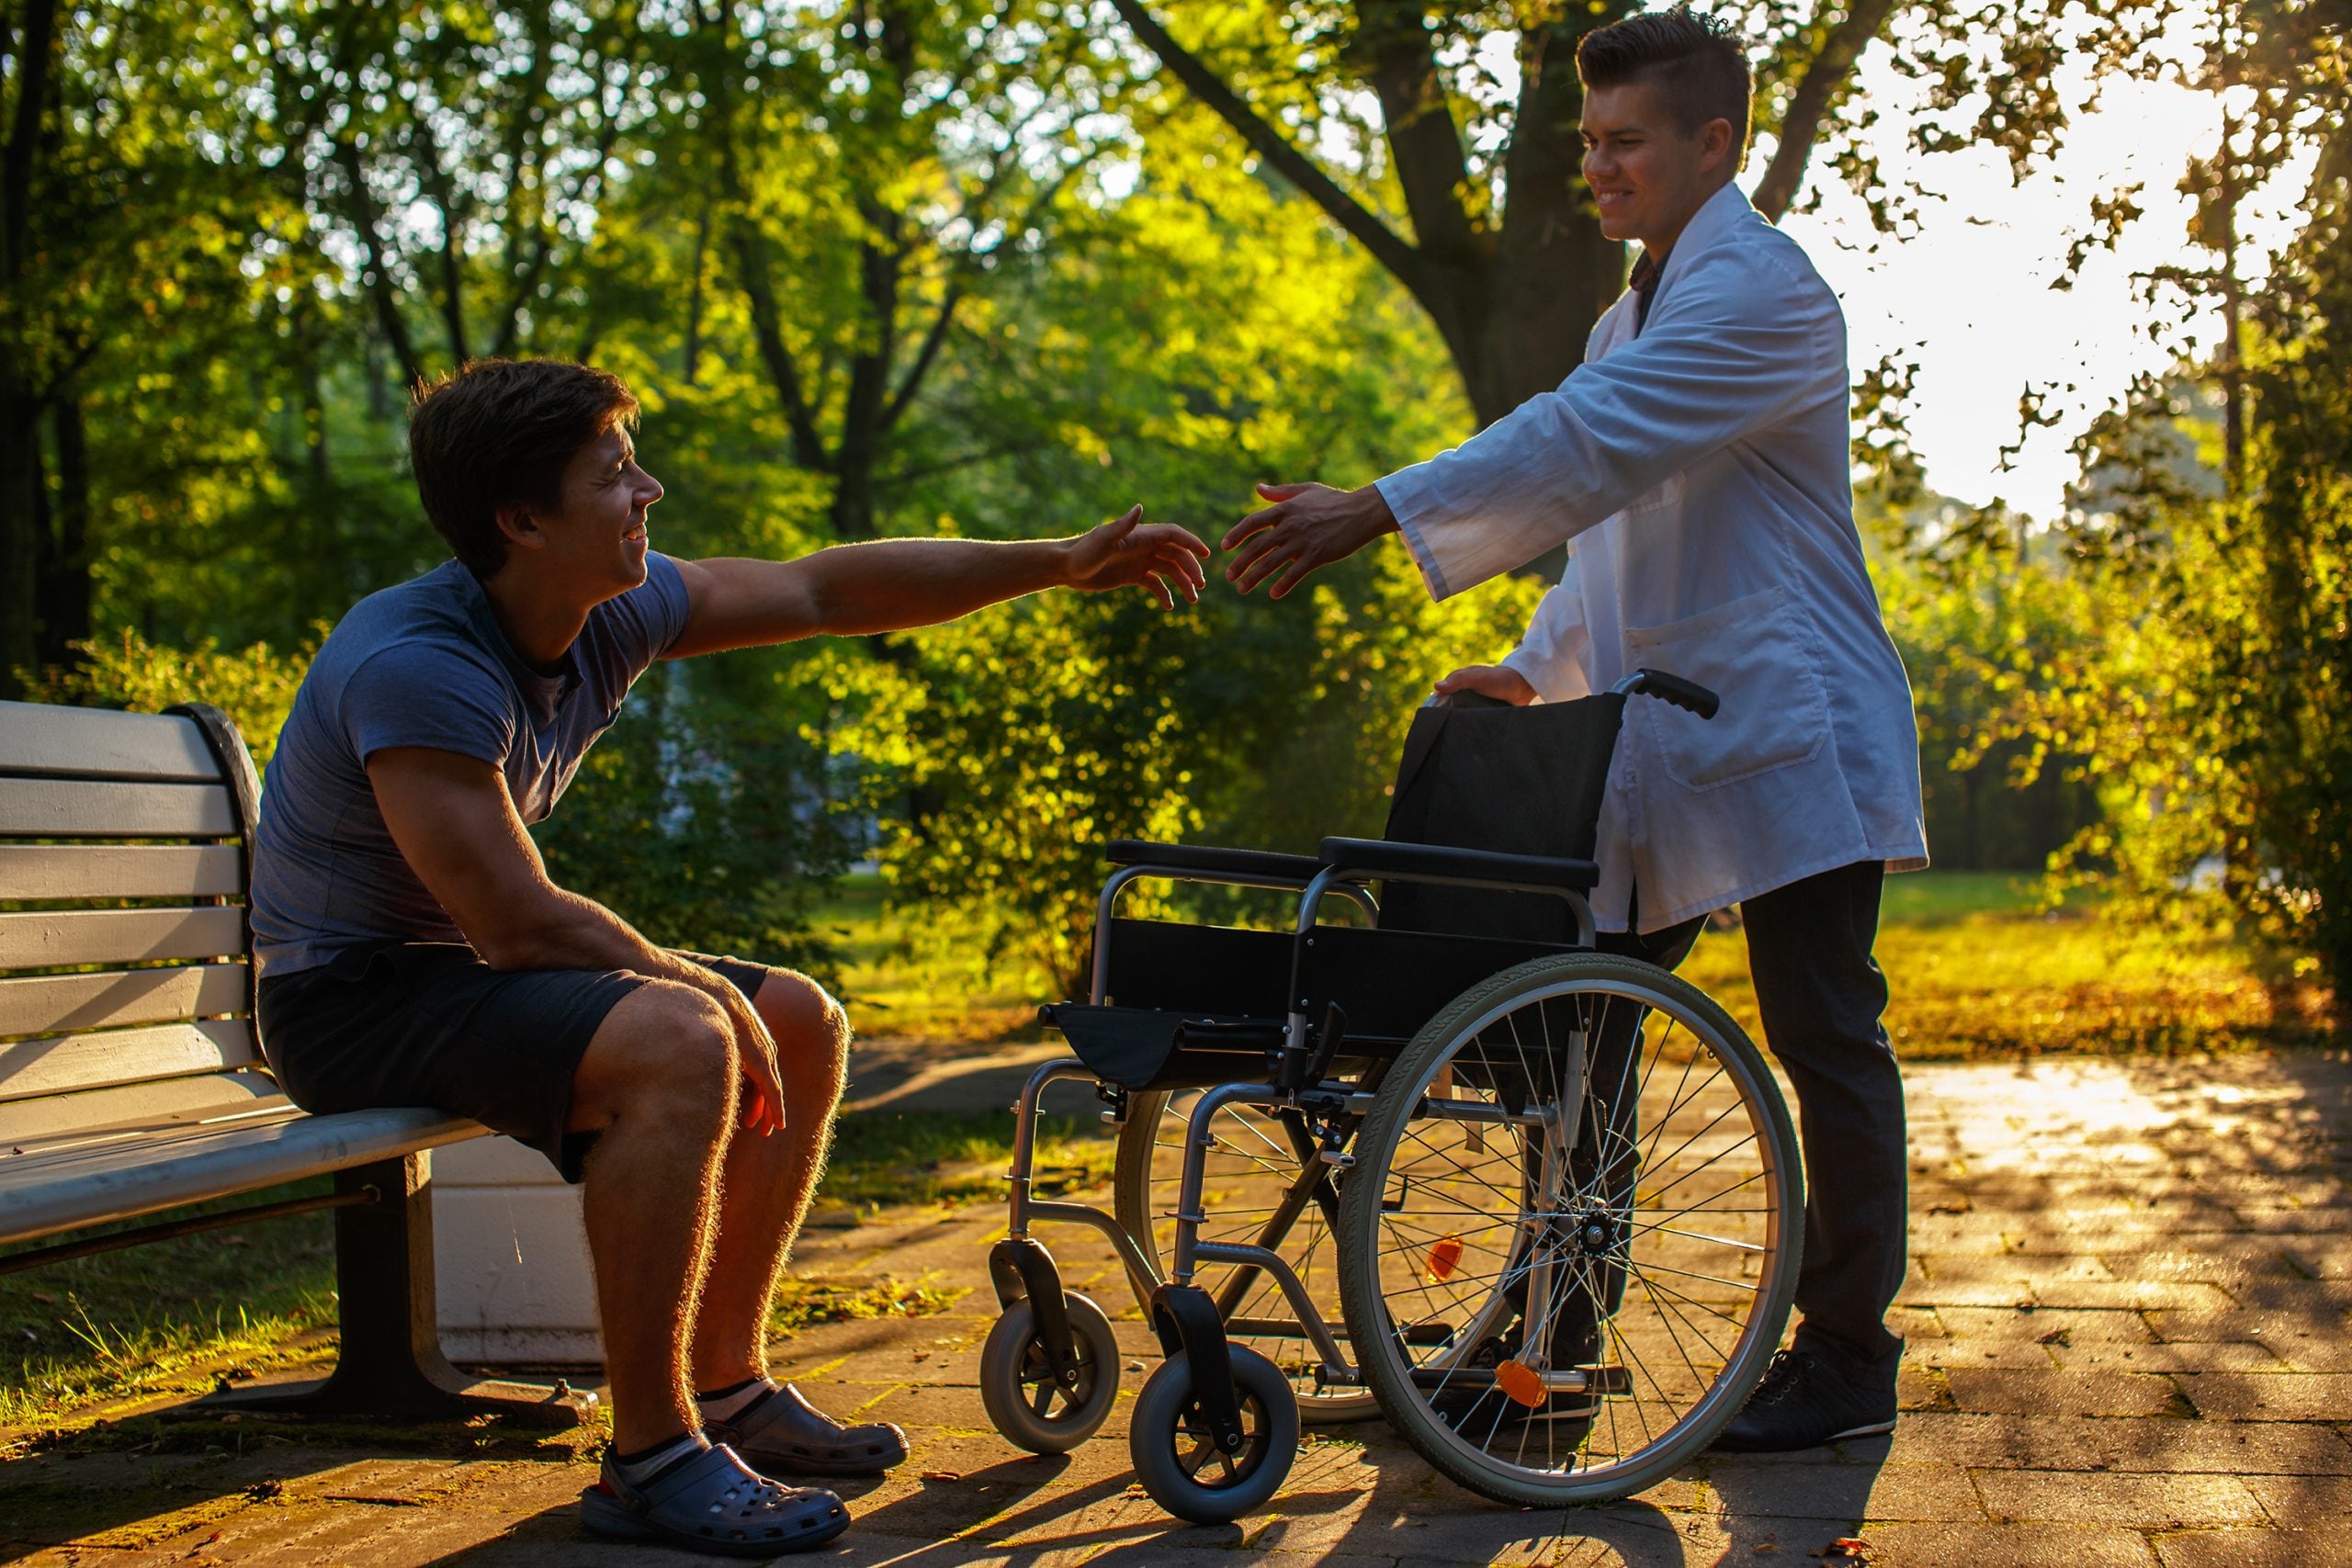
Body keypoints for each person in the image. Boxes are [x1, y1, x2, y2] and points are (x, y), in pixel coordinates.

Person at [249, 356, 1209, 1555]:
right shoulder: (417, 663)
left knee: (799, 1019)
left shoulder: (611, 607)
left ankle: (728, 1384)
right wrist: (694, 988)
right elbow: (513, 922)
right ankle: (649, 1459)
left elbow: (822, 591)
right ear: (522, 520)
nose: (647, 489)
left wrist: (1060, 562)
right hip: (351, 993)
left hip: (458, 971)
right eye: (613, 474)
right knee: (686, 1038)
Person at [1219, 6, 1928, 1453]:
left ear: (1712, 144)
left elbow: (1595, 439)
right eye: (1588, 142)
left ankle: (1849, 1360)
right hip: (1664, 731)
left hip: (1799, 725)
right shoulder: (1632, 309)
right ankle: (1555, 1345)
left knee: (1822, 1030)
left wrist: (1383, 506)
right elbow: (1606, 525)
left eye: (1624, 142)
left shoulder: (1766, 295)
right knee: (1572, 1020)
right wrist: (1533, 668)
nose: (1594, 168)